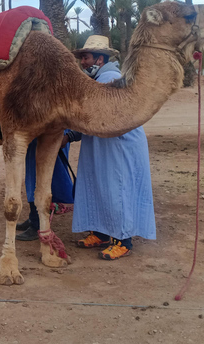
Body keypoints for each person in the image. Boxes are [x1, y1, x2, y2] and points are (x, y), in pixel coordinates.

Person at [64, 35, 156, 260]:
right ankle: (101, 233)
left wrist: (71, 133)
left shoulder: (111, 79)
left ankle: (123, 240)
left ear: (99, 59)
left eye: (85, 58)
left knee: (117, 188)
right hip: (101, 145)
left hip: (119, 146)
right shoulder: (97, 80)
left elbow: (99, 116)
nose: (82, 62)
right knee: (98, 186)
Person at [15, 138, 74, 241]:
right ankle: (33, 217)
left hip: (51, 133)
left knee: (43, 177)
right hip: (38, 135)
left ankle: (37, 224)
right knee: (33, 174)